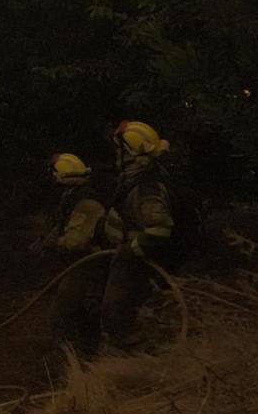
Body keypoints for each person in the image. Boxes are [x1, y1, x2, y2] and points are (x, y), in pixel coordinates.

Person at [100, 120, 175, 352]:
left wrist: (128, 252)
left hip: (135, 263)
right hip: (128, 259)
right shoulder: (136, 180)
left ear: (130, 152)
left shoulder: (146, 187)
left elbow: (159, 230)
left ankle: (131, 366)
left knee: (118, 312)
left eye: (119, 149)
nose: (116, 155)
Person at [42, 152, 108, 356]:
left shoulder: (86, 203)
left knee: (63, 318)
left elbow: (74, 242)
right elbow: (65, 226)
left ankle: (78, 366)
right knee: (80, 318)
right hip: (80, 268)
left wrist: (53, 243)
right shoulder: (71, 198)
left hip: (88, 269)